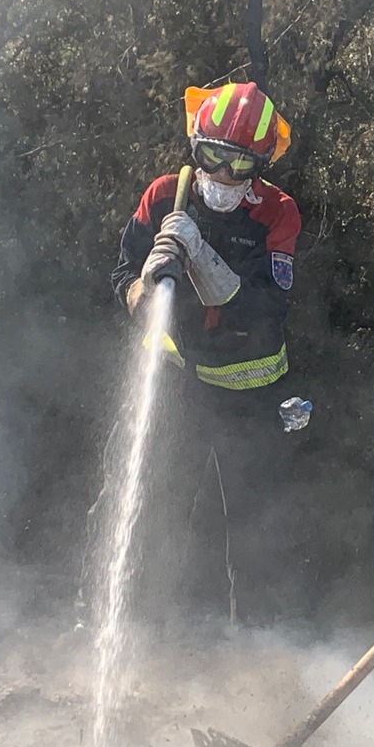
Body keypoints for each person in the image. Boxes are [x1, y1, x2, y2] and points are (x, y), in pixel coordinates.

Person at [111, 82, 305, 624]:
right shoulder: (163, 196)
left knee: (249, 525)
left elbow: (267, 307)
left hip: (250, 394)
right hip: (176, 383)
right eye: (212, 157)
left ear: (260, 167)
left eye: (239, 166)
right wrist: (143, 289)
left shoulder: (277, 214)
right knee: (159, 509)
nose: (222, 176)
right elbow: (123, 272)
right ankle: (154, 631)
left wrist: (200, 256)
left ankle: (256, 645)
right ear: (195, 145)